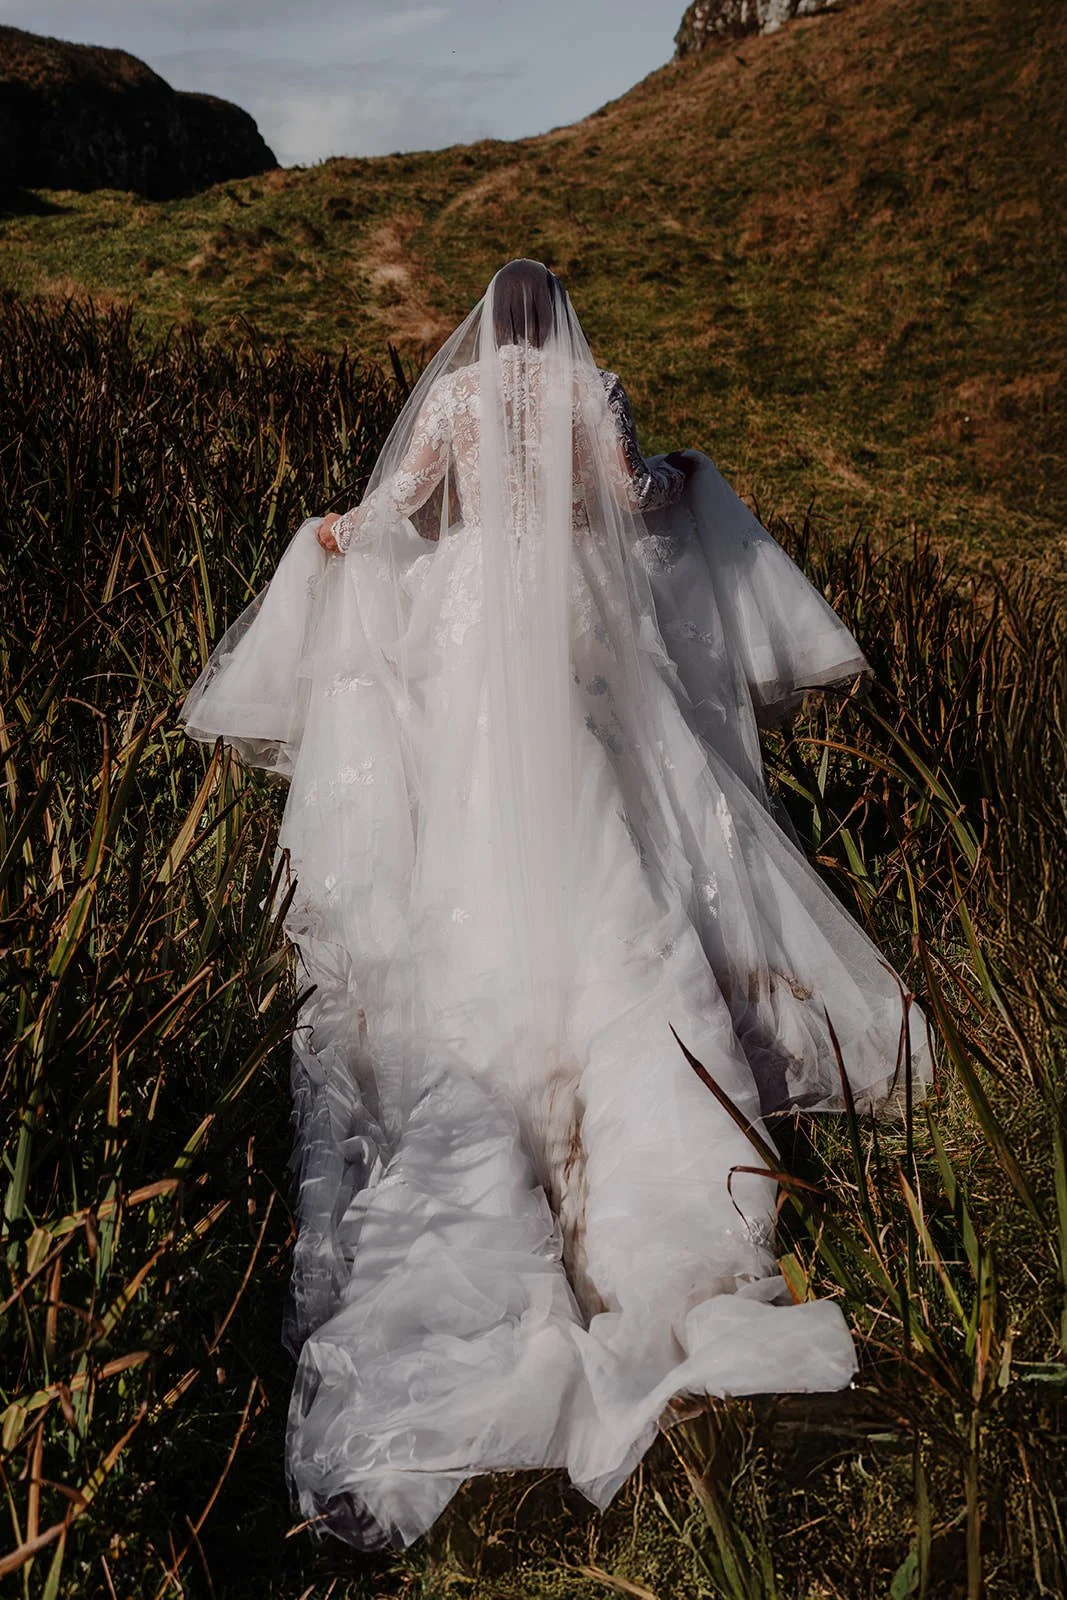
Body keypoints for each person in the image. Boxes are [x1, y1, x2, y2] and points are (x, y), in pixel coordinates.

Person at [179, 259, 932, 1552]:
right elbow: (631, 499)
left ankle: (506, 1118)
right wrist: (683, 481)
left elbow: (400, 513)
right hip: (575, 635)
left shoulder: (461, 399)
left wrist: (329, 539)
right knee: (611, 869)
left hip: (473, 643)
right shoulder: (596, 389)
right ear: (560, 321)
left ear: (485, 325)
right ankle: (645, 1180)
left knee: (470, 860)